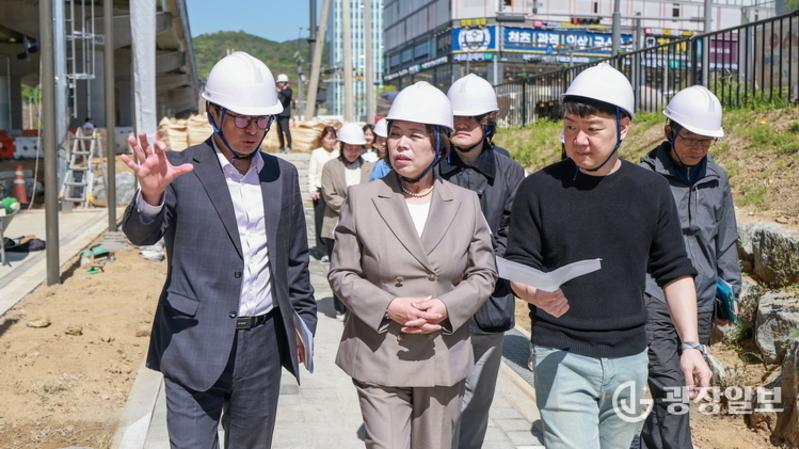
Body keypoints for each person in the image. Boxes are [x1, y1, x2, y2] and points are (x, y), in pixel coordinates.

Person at [503, 63, 712, 449]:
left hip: (631, 358)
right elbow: (519, 264)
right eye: (570, 127)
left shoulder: (650, 190)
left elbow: (674, 270)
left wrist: (690, 345)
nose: (579, 140)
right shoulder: (538, 189)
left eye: (593, 128)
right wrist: (533, 292)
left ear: (624, 126)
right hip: (559, 352)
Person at [120, 51, 317, 449]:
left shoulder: (283, 175)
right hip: (192, 340)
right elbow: (141, 236)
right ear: (214, 112)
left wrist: (303, 323)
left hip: (262, 346)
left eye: (261, 119)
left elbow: (295, 260)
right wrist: (151, 194)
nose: (253, 129)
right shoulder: (179, 169)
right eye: (242, 118)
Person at [328, 81, 497, 449]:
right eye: (396, 134)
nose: (401, 144)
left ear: (439, 143)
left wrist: (446, 307)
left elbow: (484, 273)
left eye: (415, 135)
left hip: (442, 353)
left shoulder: (465, 202)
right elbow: (342, 273)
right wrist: (390, 305)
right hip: (380, 350)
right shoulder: (363, 198)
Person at [637, 85, 741, 449]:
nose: (698, 148)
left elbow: (725, 240)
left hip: (700, 300)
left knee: (679, 392)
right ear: (669, 131)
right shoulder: (644, 178)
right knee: (673, 390)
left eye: (707, 141)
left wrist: (730, 293)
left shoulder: (717, 178)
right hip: (654, 298)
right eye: (691, 139)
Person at [440, 74, 526, 449]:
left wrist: (477, 271)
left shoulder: (510, 173)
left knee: (476, 398)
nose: (462, 126)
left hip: (488, 303)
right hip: (436, 300)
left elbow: (512, 236)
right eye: (455, 118)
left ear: (487, 123)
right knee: (437, 395)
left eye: (471, 119)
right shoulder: (432, 169)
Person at [321, 122, 375, 321]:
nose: (353, 152)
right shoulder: (330, 167)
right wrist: (353, 206)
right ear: (341, 146)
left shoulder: (369, 167)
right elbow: (329, 194)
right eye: (349, 148)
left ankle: (357, 306)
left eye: (356, 148)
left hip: (363, 226)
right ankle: (339, 307)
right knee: (338, 268)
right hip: (335, 224)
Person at [308, 125, 339, 262]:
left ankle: (335, 248)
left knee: (334, 220)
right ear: (322, 139)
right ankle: (323, 250)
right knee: (320, 220)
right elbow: (312, 173)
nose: (331, 141)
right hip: (320, 190)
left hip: (335, 191)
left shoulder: (338, 153)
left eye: (333, 139)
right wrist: (312, 190)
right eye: (328, 138)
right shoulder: (316, 153)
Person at [275, 73, 292, 152]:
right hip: (279, 114)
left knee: (286, 130)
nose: (278, 84)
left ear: (283, 82)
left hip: (285, 114)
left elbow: (287, 95)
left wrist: (280, 91)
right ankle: (281, 146)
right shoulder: (280, 92)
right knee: (279, 131)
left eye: (279, 82)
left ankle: (289, 146)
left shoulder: (288, 90)